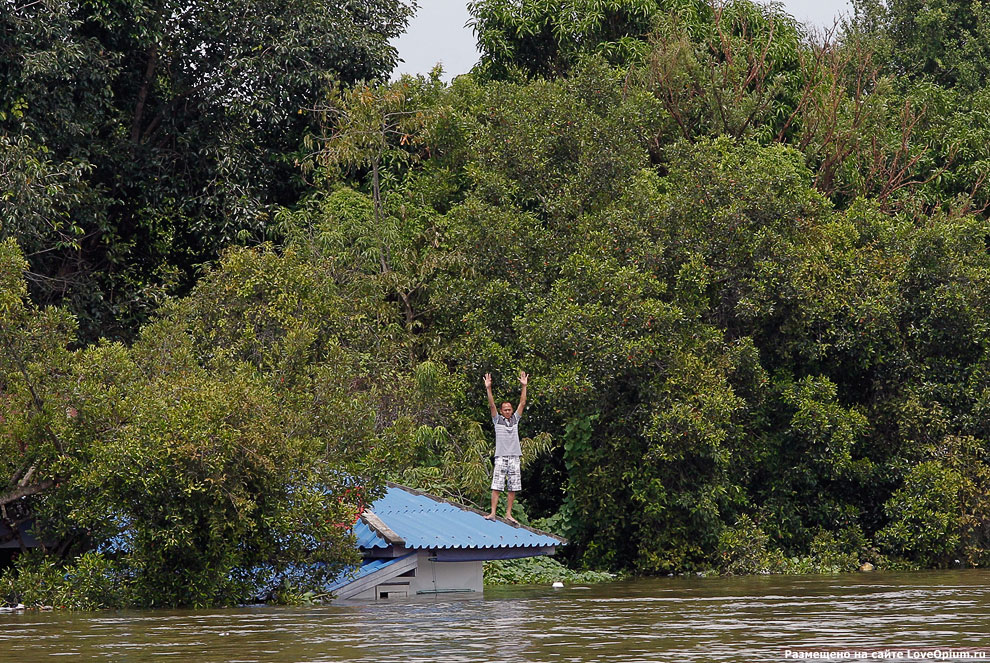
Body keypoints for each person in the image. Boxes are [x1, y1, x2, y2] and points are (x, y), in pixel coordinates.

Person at [484, 370, 528, 523]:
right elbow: (491, 405)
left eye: (510, 409)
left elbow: (522, 403)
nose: (508, 411)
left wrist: (524, 386)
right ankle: (493, 513)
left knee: (513, 487)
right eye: (506, 410)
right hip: (501, 456)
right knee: (497, 485)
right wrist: (488, 388)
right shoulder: (498, 420)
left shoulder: (515, 419)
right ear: (502, 411)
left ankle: (508, 513)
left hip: (514, 456)